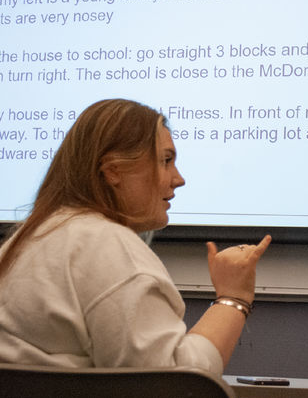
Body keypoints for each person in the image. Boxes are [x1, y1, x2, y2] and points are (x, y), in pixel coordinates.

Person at [0, 99, 270, 377]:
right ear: (114, 170)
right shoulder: (105, 244)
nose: (178, 179)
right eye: (166, 160)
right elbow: (170, 383)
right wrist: (233, 296)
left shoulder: (28, 238)